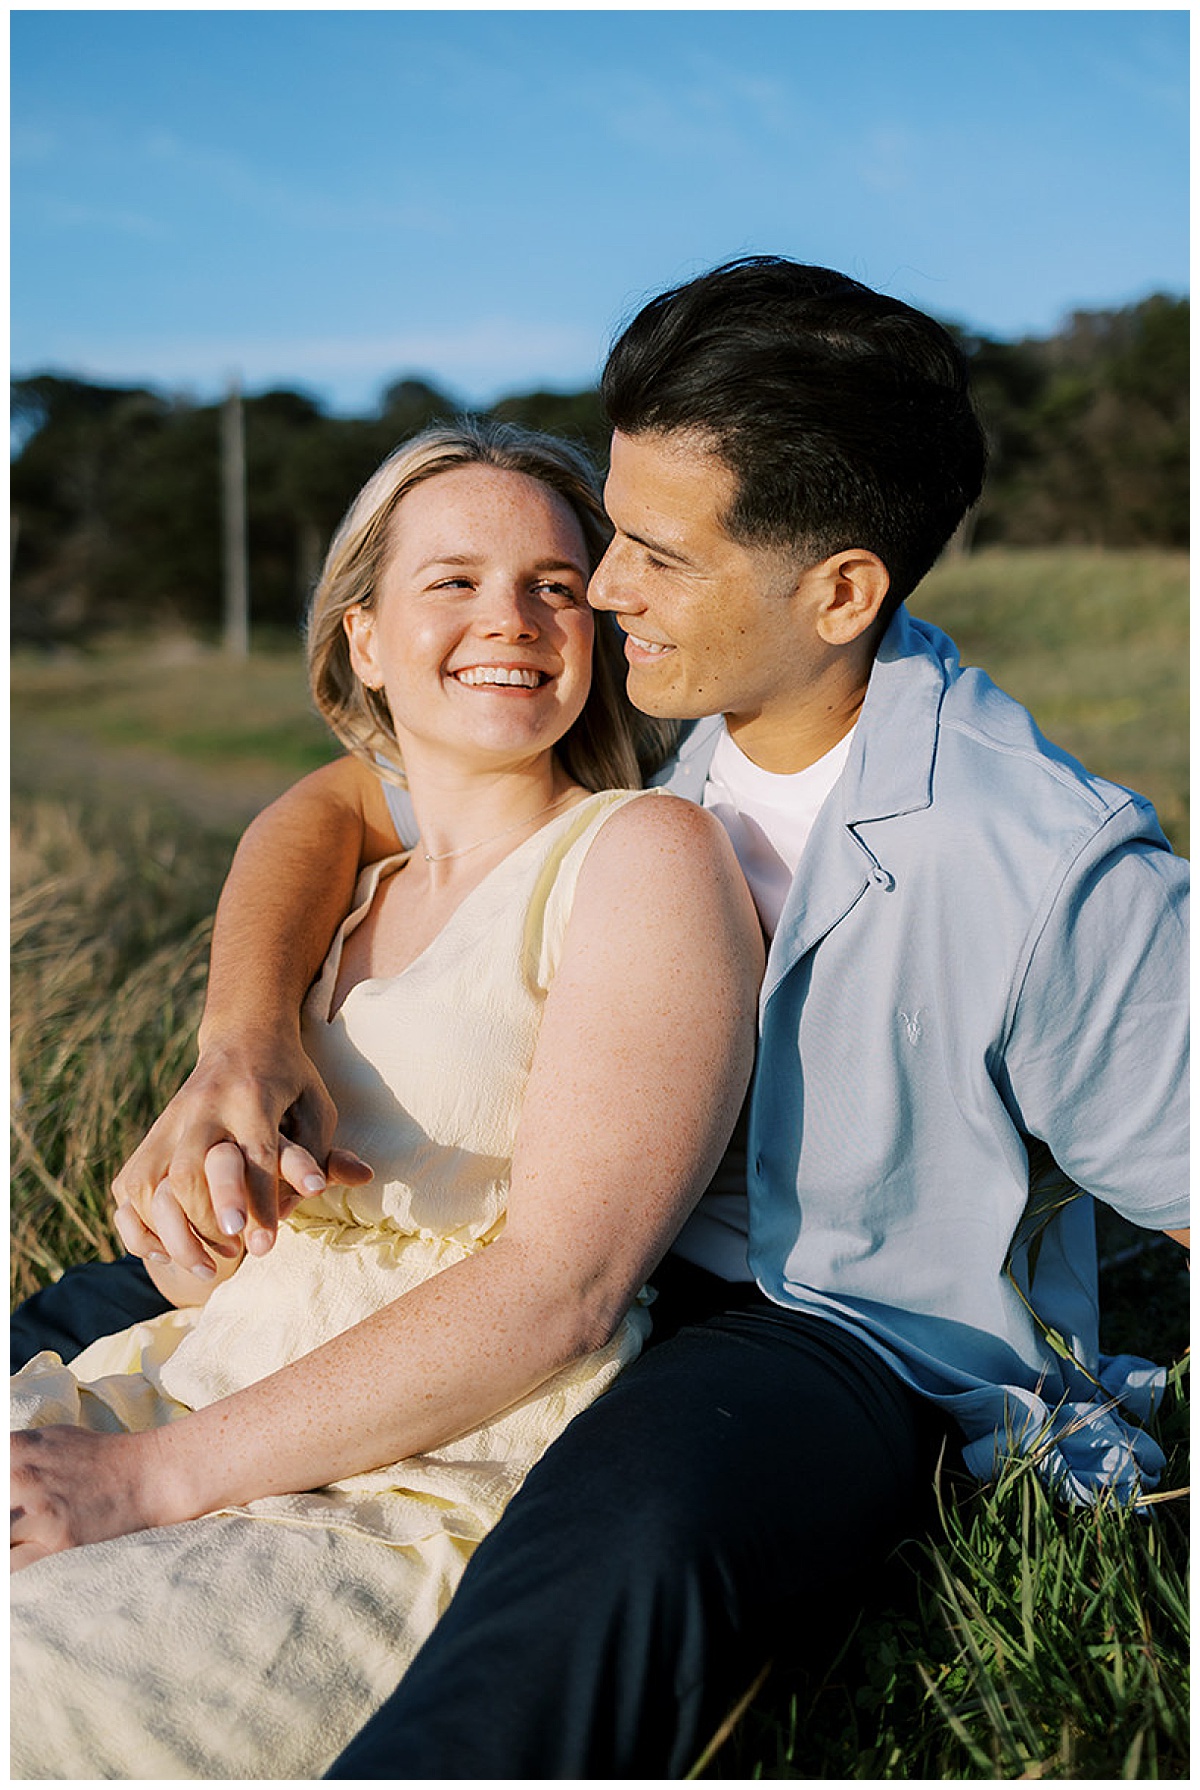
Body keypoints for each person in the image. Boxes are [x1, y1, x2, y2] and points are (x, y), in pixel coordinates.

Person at [12, 258, 1188, 1778]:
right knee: (95, 1310)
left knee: (622, 1544)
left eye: (649, 555)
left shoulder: (1050, 872)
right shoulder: (690, 719)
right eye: (612, 534)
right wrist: (244, 1038)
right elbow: (339, 802)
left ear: (840, 589)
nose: (602, 584)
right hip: (574, 1254)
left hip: (828, 1325)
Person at [7, 420, 763, 1778]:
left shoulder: (644, 852)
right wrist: (211, 1215)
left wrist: (138, 1486)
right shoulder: (358, 889)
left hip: (403, 1474)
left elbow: (563, 1286)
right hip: (197, 1380)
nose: (512, 619)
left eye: (551, 582)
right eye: (454, 580)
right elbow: (329, 812)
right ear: (362, 637)